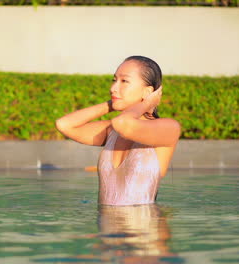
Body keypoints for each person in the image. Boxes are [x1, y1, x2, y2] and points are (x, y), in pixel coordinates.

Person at [56, 56, 180, 206]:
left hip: (145, 228)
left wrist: (147, 103)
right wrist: (112, 103)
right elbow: (64, 124)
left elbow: (123, 124)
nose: (113, 88)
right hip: (107, 229)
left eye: (124, 81)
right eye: (114, 80)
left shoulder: (168, 128)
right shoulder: (112, 130)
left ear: (148, 91)